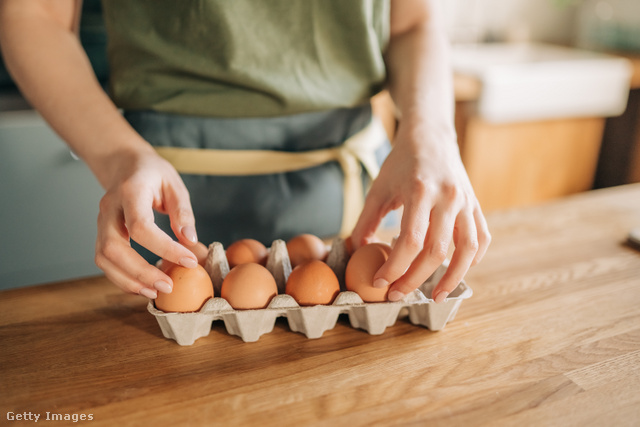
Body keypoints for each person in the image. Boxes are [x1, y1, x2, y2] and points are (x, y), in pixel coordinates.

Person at [0, 0, 490, 303]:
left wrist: (431, 131)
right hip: (165, 197)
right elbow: (33, 14)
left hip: (349, 190)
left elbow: (411, 22)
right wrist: (118, 156)